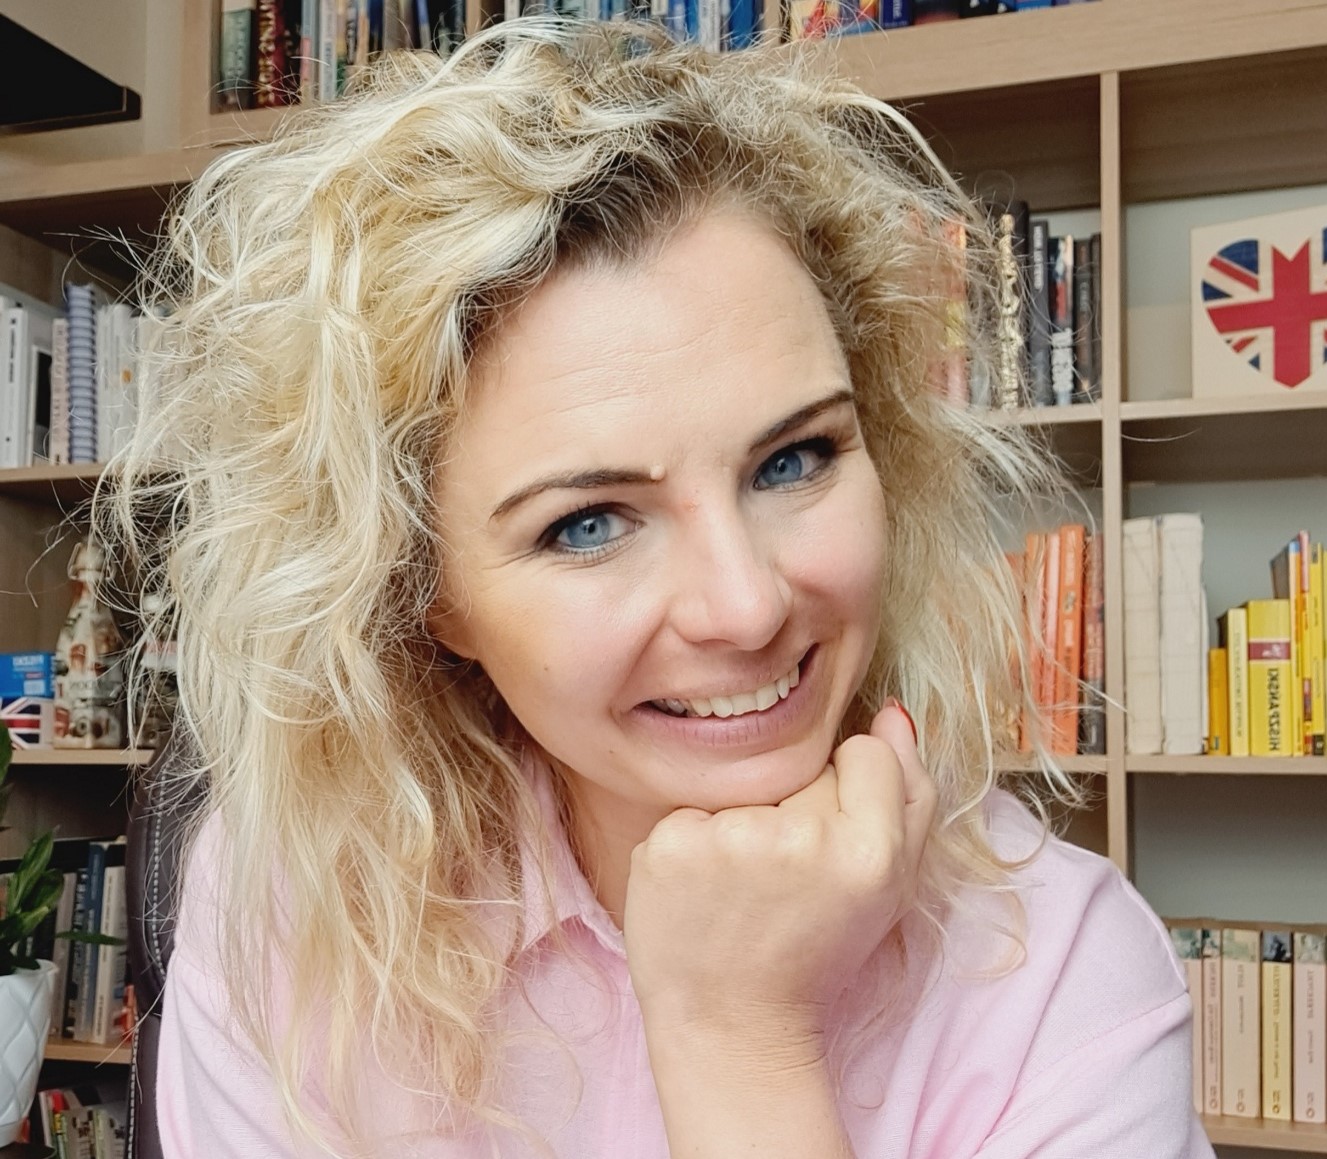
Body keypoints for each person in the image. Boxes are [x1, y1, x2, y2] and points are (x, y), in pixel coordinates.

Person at [104, 18, 1214, 1159]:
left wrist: (739, 1040)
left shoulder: (1061, 975)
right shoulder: (293, 906)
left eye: (792, 460)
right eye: (587, 523)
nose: (746, 606)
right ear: (423, 592)